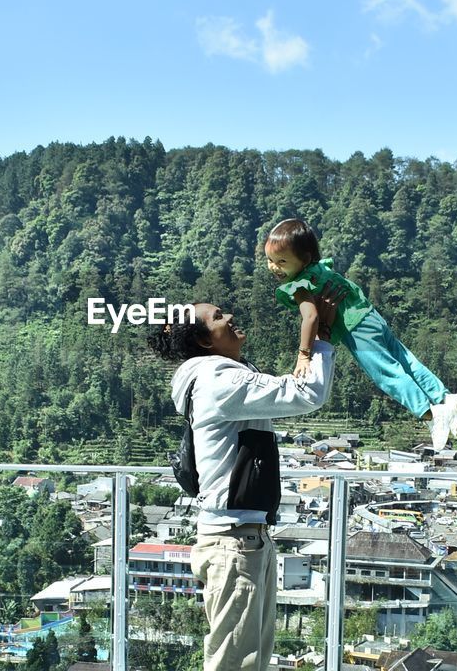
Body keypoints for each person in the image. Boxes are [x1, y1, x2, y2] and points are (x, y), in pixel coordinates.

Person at [148, 283, 344, 671]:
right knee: (234, 662)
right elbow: (306, 392)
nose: (230, 317)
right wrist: (312, 334)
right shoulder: (218, 381)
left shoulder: (221, 376)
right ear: (204, 341)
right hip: (233, 543)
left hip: (243, 539)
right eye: (218, 317)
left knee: (249, 659)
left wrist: (318, 333)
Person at [263, 217, 457, 448]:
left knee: (387, 374)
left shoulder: (299, 284)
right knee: (405, 360)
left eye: (281, 261)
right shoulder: (317, 269)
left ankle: (430, 415)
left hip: (355, 328)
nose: (273, 267)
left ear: (304, 259)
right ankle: (445, 397)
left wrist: (304, 354)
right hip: (370, 315)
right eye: (270, 259)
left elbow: (311, 317)